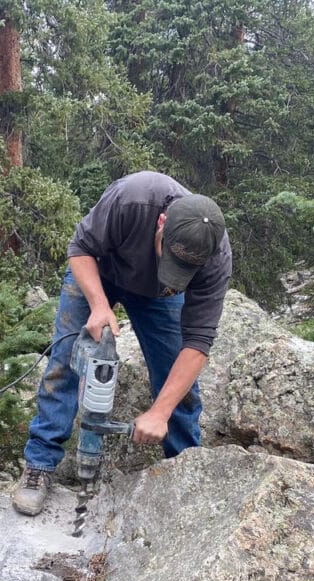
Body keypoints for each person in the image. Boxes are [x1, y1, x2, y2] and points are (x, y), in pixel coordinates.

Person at [12, 171, 233, 516]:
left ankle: (184, 471)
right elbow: (80, 249)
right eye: (170, 259)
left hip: (159, 297)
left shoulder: (215, 256)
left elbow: (198, 341)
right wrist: (99, 306)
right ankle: (39, 464)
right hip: (100, 271)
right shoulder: (134, 198)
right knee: (65, 360)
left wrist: (159, 413)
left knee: (178, 384)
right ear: (161, 222)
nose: (173, 269)